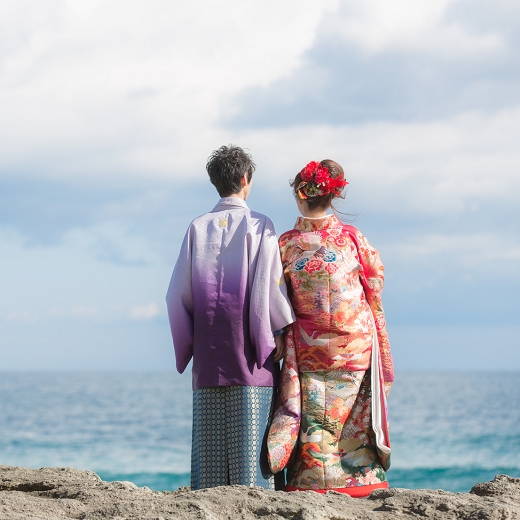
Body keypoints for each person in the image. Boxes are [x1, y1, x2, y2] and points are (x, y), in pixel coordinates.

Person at [166, 145, 295, 490]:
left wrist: (189, 346)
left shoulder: (198, 227)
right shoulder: (259, 224)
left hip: (209, 353)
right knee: (252, 455)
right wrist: (279, 329)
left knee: (210, 463)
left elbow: (177, 295)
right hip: (251, 350)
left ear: (216, 182)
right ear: (245, 178)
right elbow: (269, 283)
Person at [267, 160, 394, 497]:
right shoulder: (352, 238)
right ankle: (361, 481)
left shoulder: (287, 243)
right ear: (333, 195)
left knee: (313, 415)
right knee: (352, 415)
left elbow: (277, 295)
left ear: (300, 193)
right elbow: (376, 280)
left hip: (309, 345)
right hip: (354, 342)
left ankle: (311, 480)